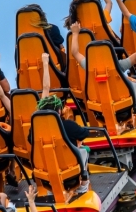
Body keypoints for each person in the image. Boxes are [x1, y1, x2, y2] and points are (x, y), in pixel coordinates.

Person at [36, 52, 93, 189]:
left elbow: (45, 88)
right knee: (83, 150)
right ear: (60, 111)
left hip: (48, 173)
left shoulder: (36, 130)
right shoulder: (68, 125)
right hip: (70, 171)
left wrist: (44, 64)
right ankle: (83, 187)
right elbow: (84, 133)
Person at [69, 19, 136, 105]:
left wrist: (75, 33)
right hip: (123, 104)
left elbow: (75, 52)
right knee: (133, 85)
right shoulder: (118, 65)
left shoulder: (89, 65)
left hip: (99, 106)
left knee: (127, 80)